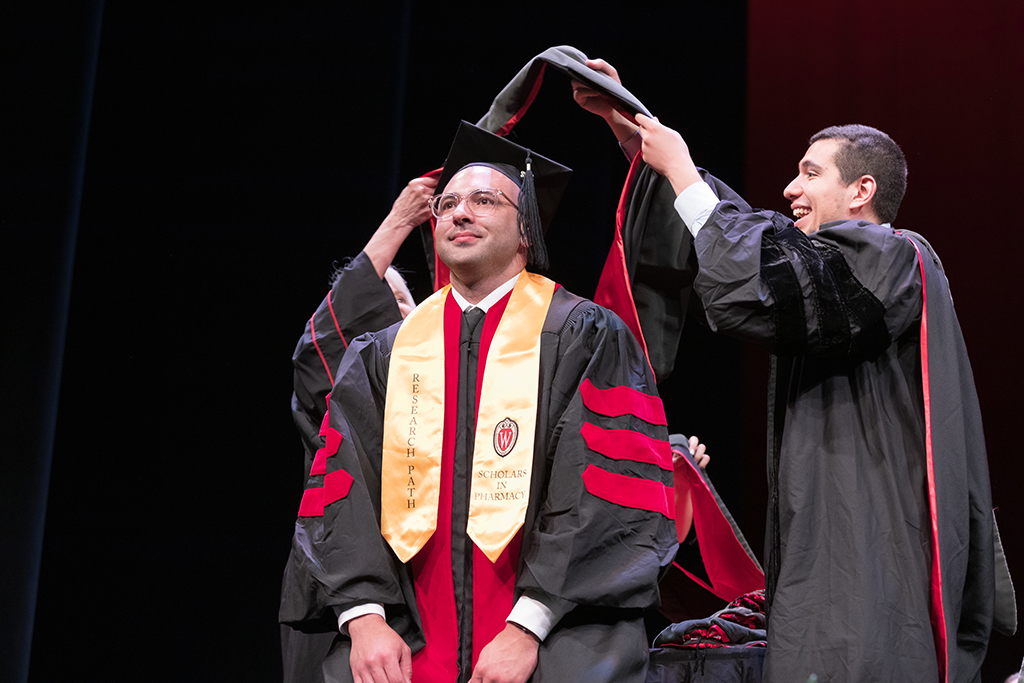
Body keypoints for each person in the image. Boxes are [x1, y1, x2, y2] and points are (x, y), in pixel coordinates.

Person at [577, 60, 1006, 682]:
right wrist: (637, 137)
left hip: (868, 541)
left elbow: (763, 273)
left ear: (861, 191)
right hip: (829, 531)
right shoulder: (835, 265)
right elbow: (755, 243)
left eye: (811, 173)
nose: (790, 189)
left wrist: (680, 169)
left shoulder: (890, 255)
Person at [279, 121, 679, 683]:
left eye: (485, 200)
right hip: (405, 640)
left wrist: (527, 627)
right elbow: (339, 486)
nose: (460, 213)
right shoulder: (385, 354)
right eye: (448, 204)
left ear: (525, 233)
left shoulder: (583, 335)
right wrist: (363, 616)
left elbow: (601, 493)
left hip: (550, 639)